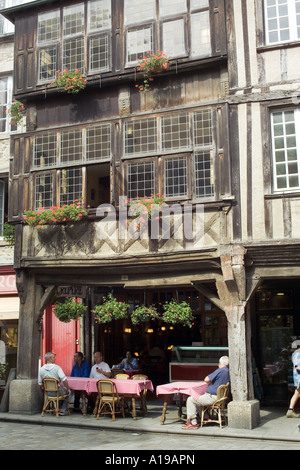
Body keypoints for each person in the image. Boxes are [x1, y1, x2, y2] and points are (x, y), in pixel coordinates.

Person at [182, 356, 230, 429]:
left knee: (191, 399)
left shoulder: (220, 370)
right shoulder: (228, 371)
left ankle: (193, 422)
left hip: (213, 397)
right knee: (198, 398)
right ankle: (205, 417)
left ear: (220, 363)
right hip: (220, 398)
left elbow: (206, 379)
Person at [38, 352, 70, 416]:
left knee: (62, 391)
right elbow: (64, 380)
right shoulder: (57, 368)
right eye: (53, 357)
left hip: (48, 393)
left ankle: (58, 408)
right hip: (57, 392)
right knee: (70, 392)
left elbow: (40, 383)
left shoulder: (41, 369)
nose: (55, 359)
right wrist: (68, 389)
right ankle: (63, 409)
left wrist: (44, 390)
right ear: (50, 359)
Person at [286, 340, 300, 418]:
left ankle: (290, 410)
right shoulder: (298, 354)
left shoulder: (295, 353)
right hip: (299, 377)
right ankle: (290, 410)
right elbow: (297, 366)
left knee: (297, 393)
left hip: (298, 378)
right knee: (297, 393)